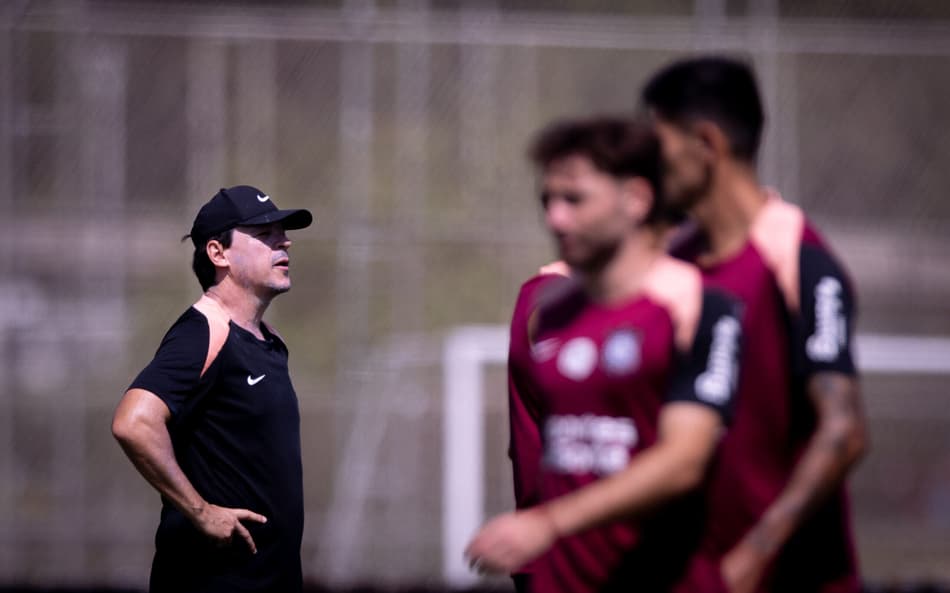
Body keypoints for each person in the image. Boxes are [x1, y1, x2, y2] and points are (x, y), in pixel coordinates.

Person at [464, 117, 744, 593]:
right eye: (547, 200)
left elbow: (685, 459)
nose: (555, 218)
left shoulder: (699, 307)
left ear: (636, 199)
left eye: (575, 199)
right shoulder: (551, 311)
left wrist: (549, 523)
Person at [641, 56, 868, 593]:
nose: (648, 164)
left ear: (707, 143)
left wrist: (755, 553)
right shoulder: (674, 264)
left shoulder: (797, 259)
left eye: (659, 144)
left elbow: (844, 431)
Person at [111, 185, 312, 593]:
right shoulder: (204, 332)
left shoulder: (268, 339)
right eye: (264, 234)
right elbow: (134, 422)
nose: (284, 241)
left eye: (282, 232)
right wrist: (201, 512)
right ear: (218, 253)